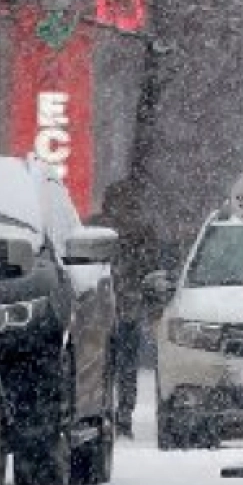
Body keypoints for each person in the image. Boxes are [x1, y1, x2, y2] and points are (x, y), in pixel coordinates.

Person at [92, 179, 158, 437]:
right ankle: (121, 416)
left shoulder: (95, 227)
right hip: (126, 304)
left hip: (101, 306)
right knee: (125, 365)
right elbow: (149, 265)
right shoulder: (141, 231)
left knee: (105, 365)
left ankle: (108, 413)